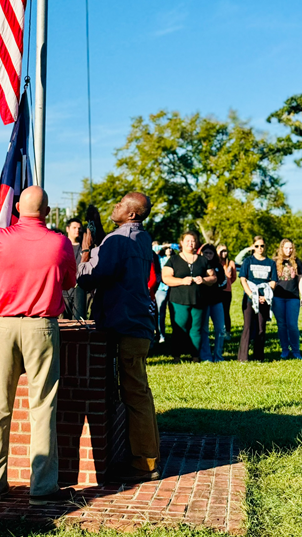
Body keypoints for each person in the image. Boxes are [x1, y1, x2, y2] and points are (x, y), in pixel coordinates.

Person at [0, 186, 76, 506]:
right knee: (43, 407)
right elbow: (69, 283)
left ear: (18, 207)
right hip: (42, 328)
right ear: (47, 211)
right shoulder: (60, 242)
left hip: (3, 326)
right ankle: (42, 486)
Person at [77, 192, 162, 483]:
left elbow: (89, 277)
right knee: (140, 393)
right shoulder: (143, 237)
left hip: (124, 324)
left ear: (132, 214)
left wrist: (86, 252)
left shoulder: (119, 238)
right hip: (138, 323)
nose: (114, 206)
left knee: (134, 394)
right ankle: (148, 456)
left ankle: (145, 463)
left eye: (121, 204)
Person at [162, 231, 216, 362]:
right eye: (187, 241)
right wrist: (181, 281)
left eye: (193, 241)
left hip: (198, 299)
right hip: (178, 300)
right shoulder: (173, 260)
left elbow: (213, 277)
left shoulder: (203, 260)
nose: (190, 244)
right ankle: (176, 356)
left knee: (196, 329)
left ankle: (195, 357)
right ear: (181, 243)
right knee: (179, 328)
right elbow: (166, 278)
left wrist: (203, 280)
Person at [237, 236, 278, 363]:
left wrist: (265, 296)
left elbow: (273, 281)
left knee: (261, 327)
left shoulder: (270, 263)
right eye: (257, 246)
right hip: (250, 299)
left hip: (264, 299)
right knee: (248, 327)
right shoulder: (248, 261)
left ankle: (259, 356)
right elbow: (242, 279)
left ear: (265, 247)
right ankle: (243, 357)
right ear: (253, 247)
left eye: (262, 246)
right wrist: (251, 295)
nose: (259, 248)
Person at [272, 238, 302, 360]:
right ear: (281, 248)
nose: (289, 250)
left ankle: (296, 350)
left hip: (293, 297)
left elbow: (300, 279)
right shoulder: (275, 262)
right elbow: (271, 280)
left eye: (291, 247)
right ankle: (285, 349)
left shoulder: (297, 262)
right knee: (281, 325)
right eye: (286, 248)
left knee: (292, 325)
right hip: (278, 298)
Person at [199, 243, 229, 362]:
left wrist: (213, 283)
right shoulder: (199, 266)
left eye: (210, 253)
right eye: (205, 253)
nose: (208, 255)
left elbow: (223, 282)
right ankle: (206, 356)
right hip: (204, 301)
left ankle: (218, 356)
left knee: (220, 329)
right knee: (204, 330)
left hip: (217, 301)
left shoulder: (218, 266)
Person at [62, 219, 89, 320]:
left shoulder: (85, 247)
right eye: (74, 228)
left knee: (79, 323)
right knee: (63, 322)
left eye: (79, 228)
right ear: (67, 229)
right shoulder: (62, 245)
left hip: (80, 290)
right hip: (64, 292)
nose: (77, 230)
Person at [217, 245, 236, 337]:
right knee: (217, 311)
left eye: (225, 251)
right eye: (222, 251)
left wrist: (227, 283)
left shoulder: (230, 263)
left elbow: (234, 277)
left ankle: (227, 331)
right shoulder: (216, 263)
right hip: (217, 290)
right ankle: (218, 330)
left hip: (227, 291)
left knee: (226, 311)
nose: (224, 253)